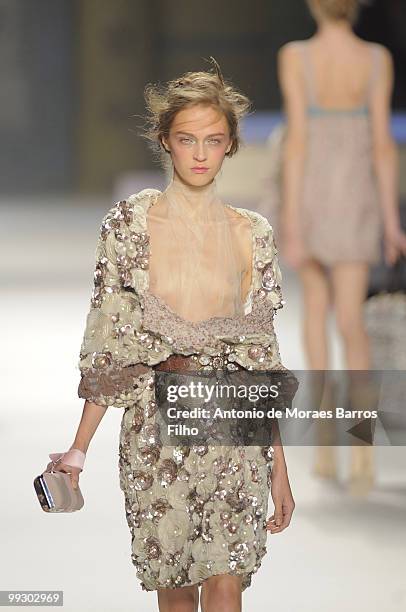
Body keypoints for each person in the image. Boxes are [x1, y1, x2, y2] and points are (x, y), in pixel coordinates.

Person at [47, 60, 295, 612]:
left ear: (231, 145)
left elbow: (261, 359)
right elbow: (110, 343)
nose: (201, 154)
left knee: (228, 582)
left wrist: (279, 467)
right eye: (187, 140)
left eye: (213, 140)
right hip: (154, 431)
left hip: (233, 424)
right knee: (176, 592)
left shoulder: (253, 234)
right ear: (166, 142)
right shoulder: (128, 226)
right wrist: (79, 450)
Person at [276, 0, 406, 493]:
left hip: (311, 190)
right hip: (356, 192)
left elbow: (297, 141)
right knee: (352, 322)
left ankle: (327, 439)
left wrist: (290, 219)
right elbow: (382, 144)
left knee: (316, 315)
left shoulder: (296, 56)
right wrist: (392, 221)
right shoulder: (375, 59)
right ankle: (362, 447)